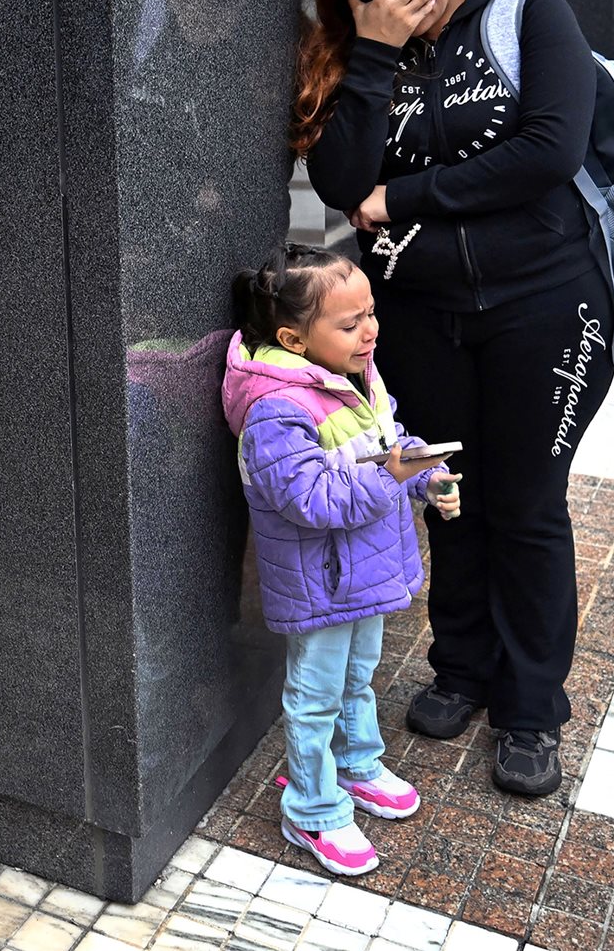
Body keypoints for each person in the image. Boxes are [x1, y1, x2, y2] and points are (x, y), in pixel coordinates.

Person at [298, 0, 614, 797]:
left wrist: (407, 197)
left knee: (524, 504)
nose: (401, 1)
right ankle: (464, 666)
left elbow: (551, 149)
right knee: (451, 495)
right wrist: (372, 54)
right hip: (423, 319)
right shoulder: (364, 52)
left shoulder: (527, 12)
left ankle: (529, 709)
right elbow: (338, 176)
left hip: (546, 308)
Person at [221, 244, 460, 877]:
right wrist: (393, 473)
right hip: (322, 580)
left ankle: (356, 764)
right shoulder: (276, 409)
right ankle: (312, 808)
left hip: (366, 568)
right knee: (315, 694)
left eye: (370, 314)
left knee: (359, 676)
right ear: (292, 339)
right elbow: (311, 499)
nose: (370, 331)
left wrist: (422, 476)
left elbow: (390, 444)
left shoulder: (356, 378)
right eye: (349, 324)